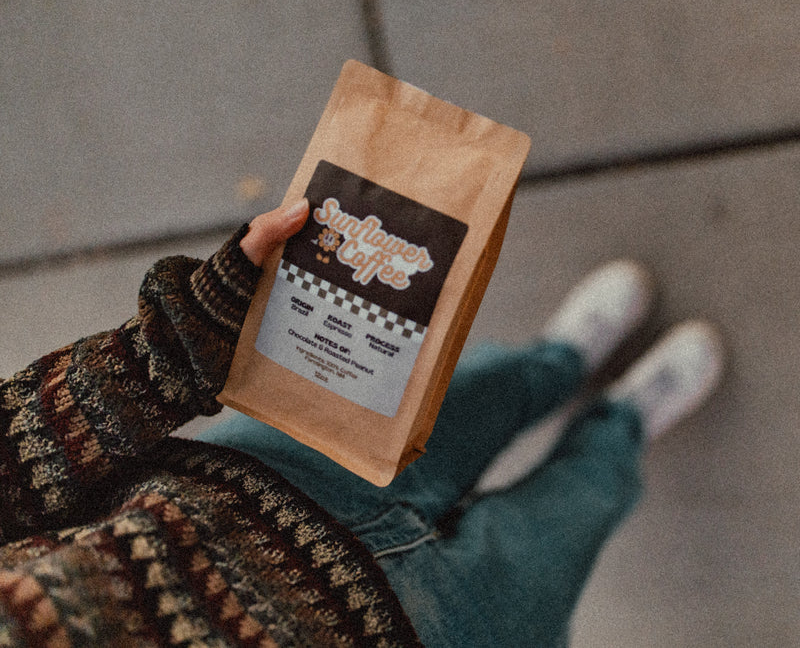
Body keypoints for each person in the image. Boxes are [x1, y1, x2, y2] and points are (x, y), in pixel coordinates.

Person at [0, 199, 723, 647]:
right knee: (573, 518)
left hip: (261, 479)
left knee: (474, 396)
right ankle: (621, 423)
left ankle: (557, 363)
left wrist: (172, 347)